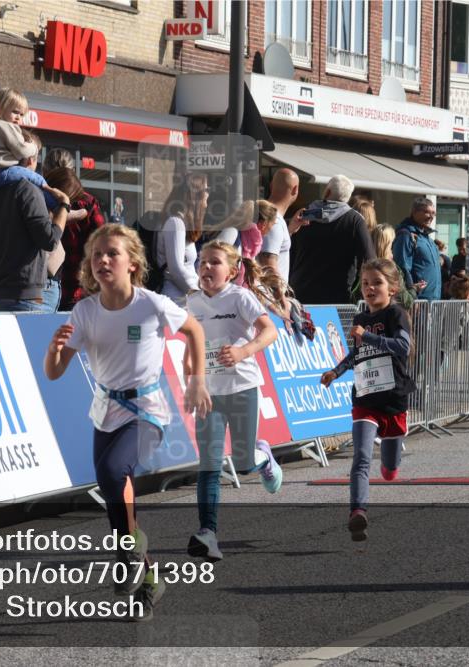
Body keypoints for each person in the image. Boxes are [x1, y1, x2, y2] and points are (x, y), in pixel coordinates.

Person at [43, 224, 211, 621]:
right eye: (96, 255)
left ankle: (129, 552)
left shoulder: (151, 304)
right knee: (109, 483)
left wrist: (196, 380)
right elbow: (54, 372)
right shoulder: (84, 311)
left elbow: (195, 330)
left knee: (116, 470)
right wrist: (53, 349)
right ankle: (146, 575)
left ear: (132, 264)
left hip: (147, 409)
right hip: (107, 410)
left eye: (112, 254)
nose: (102, 260)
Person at [185, 241, 279, 563]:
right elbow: (192, 344)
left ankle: (264, 458)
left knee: (243, 463)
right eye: (202, 263)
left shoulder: (240, 297)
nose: (206, 268)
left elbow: (270, 331)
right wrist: (191, 375)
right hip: (208, 393)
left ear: (233, 270)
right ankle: (207, 533)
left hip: (241, 387)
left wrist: (242, 352)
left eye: (214, 262)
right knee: (209, 464)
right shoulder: (192, 302)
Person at [320, 258, 416, 541]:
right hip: (365, 398)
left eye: (377, 283)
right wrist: (336, 371)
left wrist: (370, 338)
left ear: (392, 288)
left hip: (393, 398)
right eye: (365, 283)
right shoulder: (360, 319)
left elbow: (403, 348)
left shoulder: (395, 315)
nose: (370, 288)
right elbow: (357, 355)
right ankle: (357, 512)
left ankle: (391, 464)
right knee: (361, 458)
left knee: (389, 470)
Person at [0, 130, 71, 312]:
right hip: (25, 295)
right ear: (31, 159)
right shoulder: (28, 190)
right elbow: (50, 240)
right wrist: (64, 206)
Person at [289, 175, 375, 305]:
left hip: (300, 293)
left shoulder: (304, 215)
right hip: (336, 297)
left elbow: (290, 250)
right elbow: (369, 259)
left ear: (327, 192)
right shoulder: (354, 220)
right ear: (347, 197)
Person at [0, 87, 60, 211]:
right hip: (3, 172)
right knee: (37, 179)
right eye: (15, 112)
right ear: (1, 108)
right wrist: (34, 148)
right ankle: (57, 208)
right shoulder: (8, 126)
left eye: (21, 114)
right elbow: (21, 150)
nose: (18, 118)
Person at [42, 147, 106, 307]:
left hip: (41, 290)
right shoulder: (88, 203)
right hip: (79, 291)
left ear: (44, 171)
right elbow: (103, 244)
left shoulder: (37, 199)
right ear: (74, 171)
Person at [157, 174, 208, 305]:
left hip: (184, 297)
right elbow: (175, 268)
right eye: (206, 190)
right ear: (194, 194)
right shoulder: (175, 223)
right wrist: (196, 295)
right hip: (176, 300)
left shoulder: (180, 223)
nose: (208, 195)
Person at [259, 168, 306, 282]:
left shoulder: (266, 216)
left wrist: (290, 230)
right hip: (268, 297)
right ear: (295, 190)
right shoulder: (274, 221)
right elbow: (269, 264)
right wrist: (282, 297)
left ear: (271, 186)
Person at [392, 197, 441, 301]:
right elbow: (402, 268)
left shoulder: (426, 237)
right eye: (427, 212)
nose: (431, 217)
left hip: (433, 300)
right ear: (414, 212)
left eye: (433, 213)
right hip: (418, 301)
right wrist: (411, 296)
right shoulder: (406, 235)